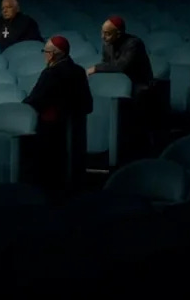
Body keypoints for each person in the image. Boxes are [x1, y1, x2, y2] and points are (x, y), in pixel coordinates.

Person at [25, 36, 93, 190]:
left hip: (52, 130)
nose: (45, 55)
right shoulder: (79, 71)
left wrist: (21, 109)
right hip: (75, 127)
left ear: (55, 54)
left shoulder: (51, 73)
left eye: (46, 51)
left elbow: (35, 99)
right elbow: (87, 104)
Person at [88, 15, 154, 94]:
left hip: (138, 85)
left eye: (107, 34)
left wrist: (96, 68)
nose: (102, 37)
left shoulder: (134, 44)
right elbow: (106, 64)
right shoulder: (107, 44)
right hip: (118, 81)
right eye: (102, 32)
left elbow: (121, 66)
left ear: (118, 34)